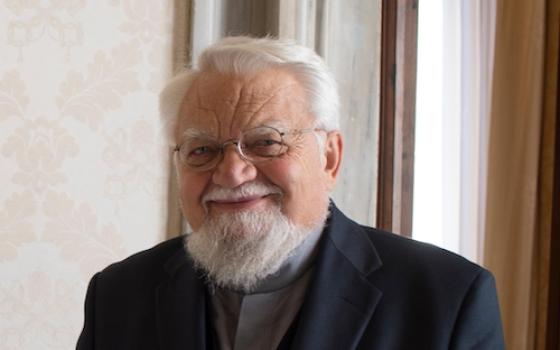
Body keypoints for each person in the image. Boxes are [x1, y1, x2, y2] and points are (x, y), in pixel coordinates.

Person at [76, 36, 504, 350]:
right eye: (202, 149)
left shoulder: (447, 299)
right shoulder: (117, 295)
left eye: (266, 142)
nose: (231, 173)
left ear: (330, 158)